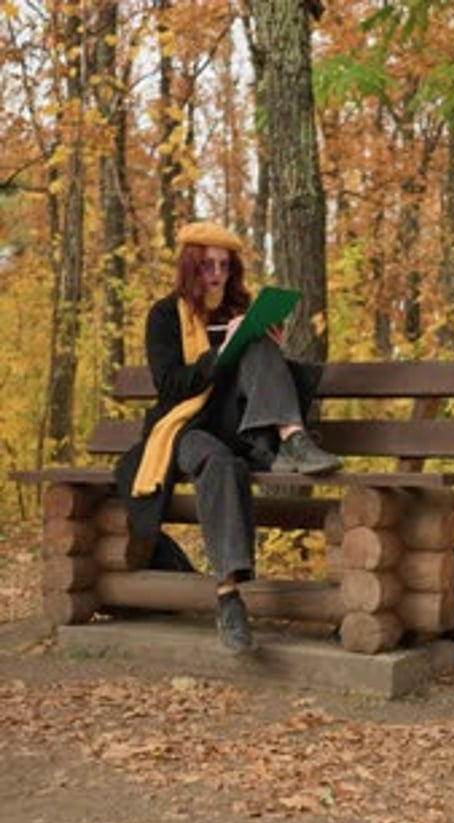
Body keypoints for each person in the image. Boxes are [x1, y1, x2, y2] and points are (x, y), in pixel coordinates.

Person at [116, 221, 342, 652]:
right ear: (189, 268)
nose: (215, 274)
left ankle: (294, 439)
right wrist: (220, 354)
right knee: (220, 465)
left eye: (223, 265)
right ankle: (228, 596)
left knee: (258, 345)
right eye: (205, 266)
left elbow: (253, 384)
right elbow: (171, 387)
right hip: (185, 429)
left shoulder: (238, 308)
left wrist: (268, 346)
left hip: (238, 426)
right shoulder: (164, 315)